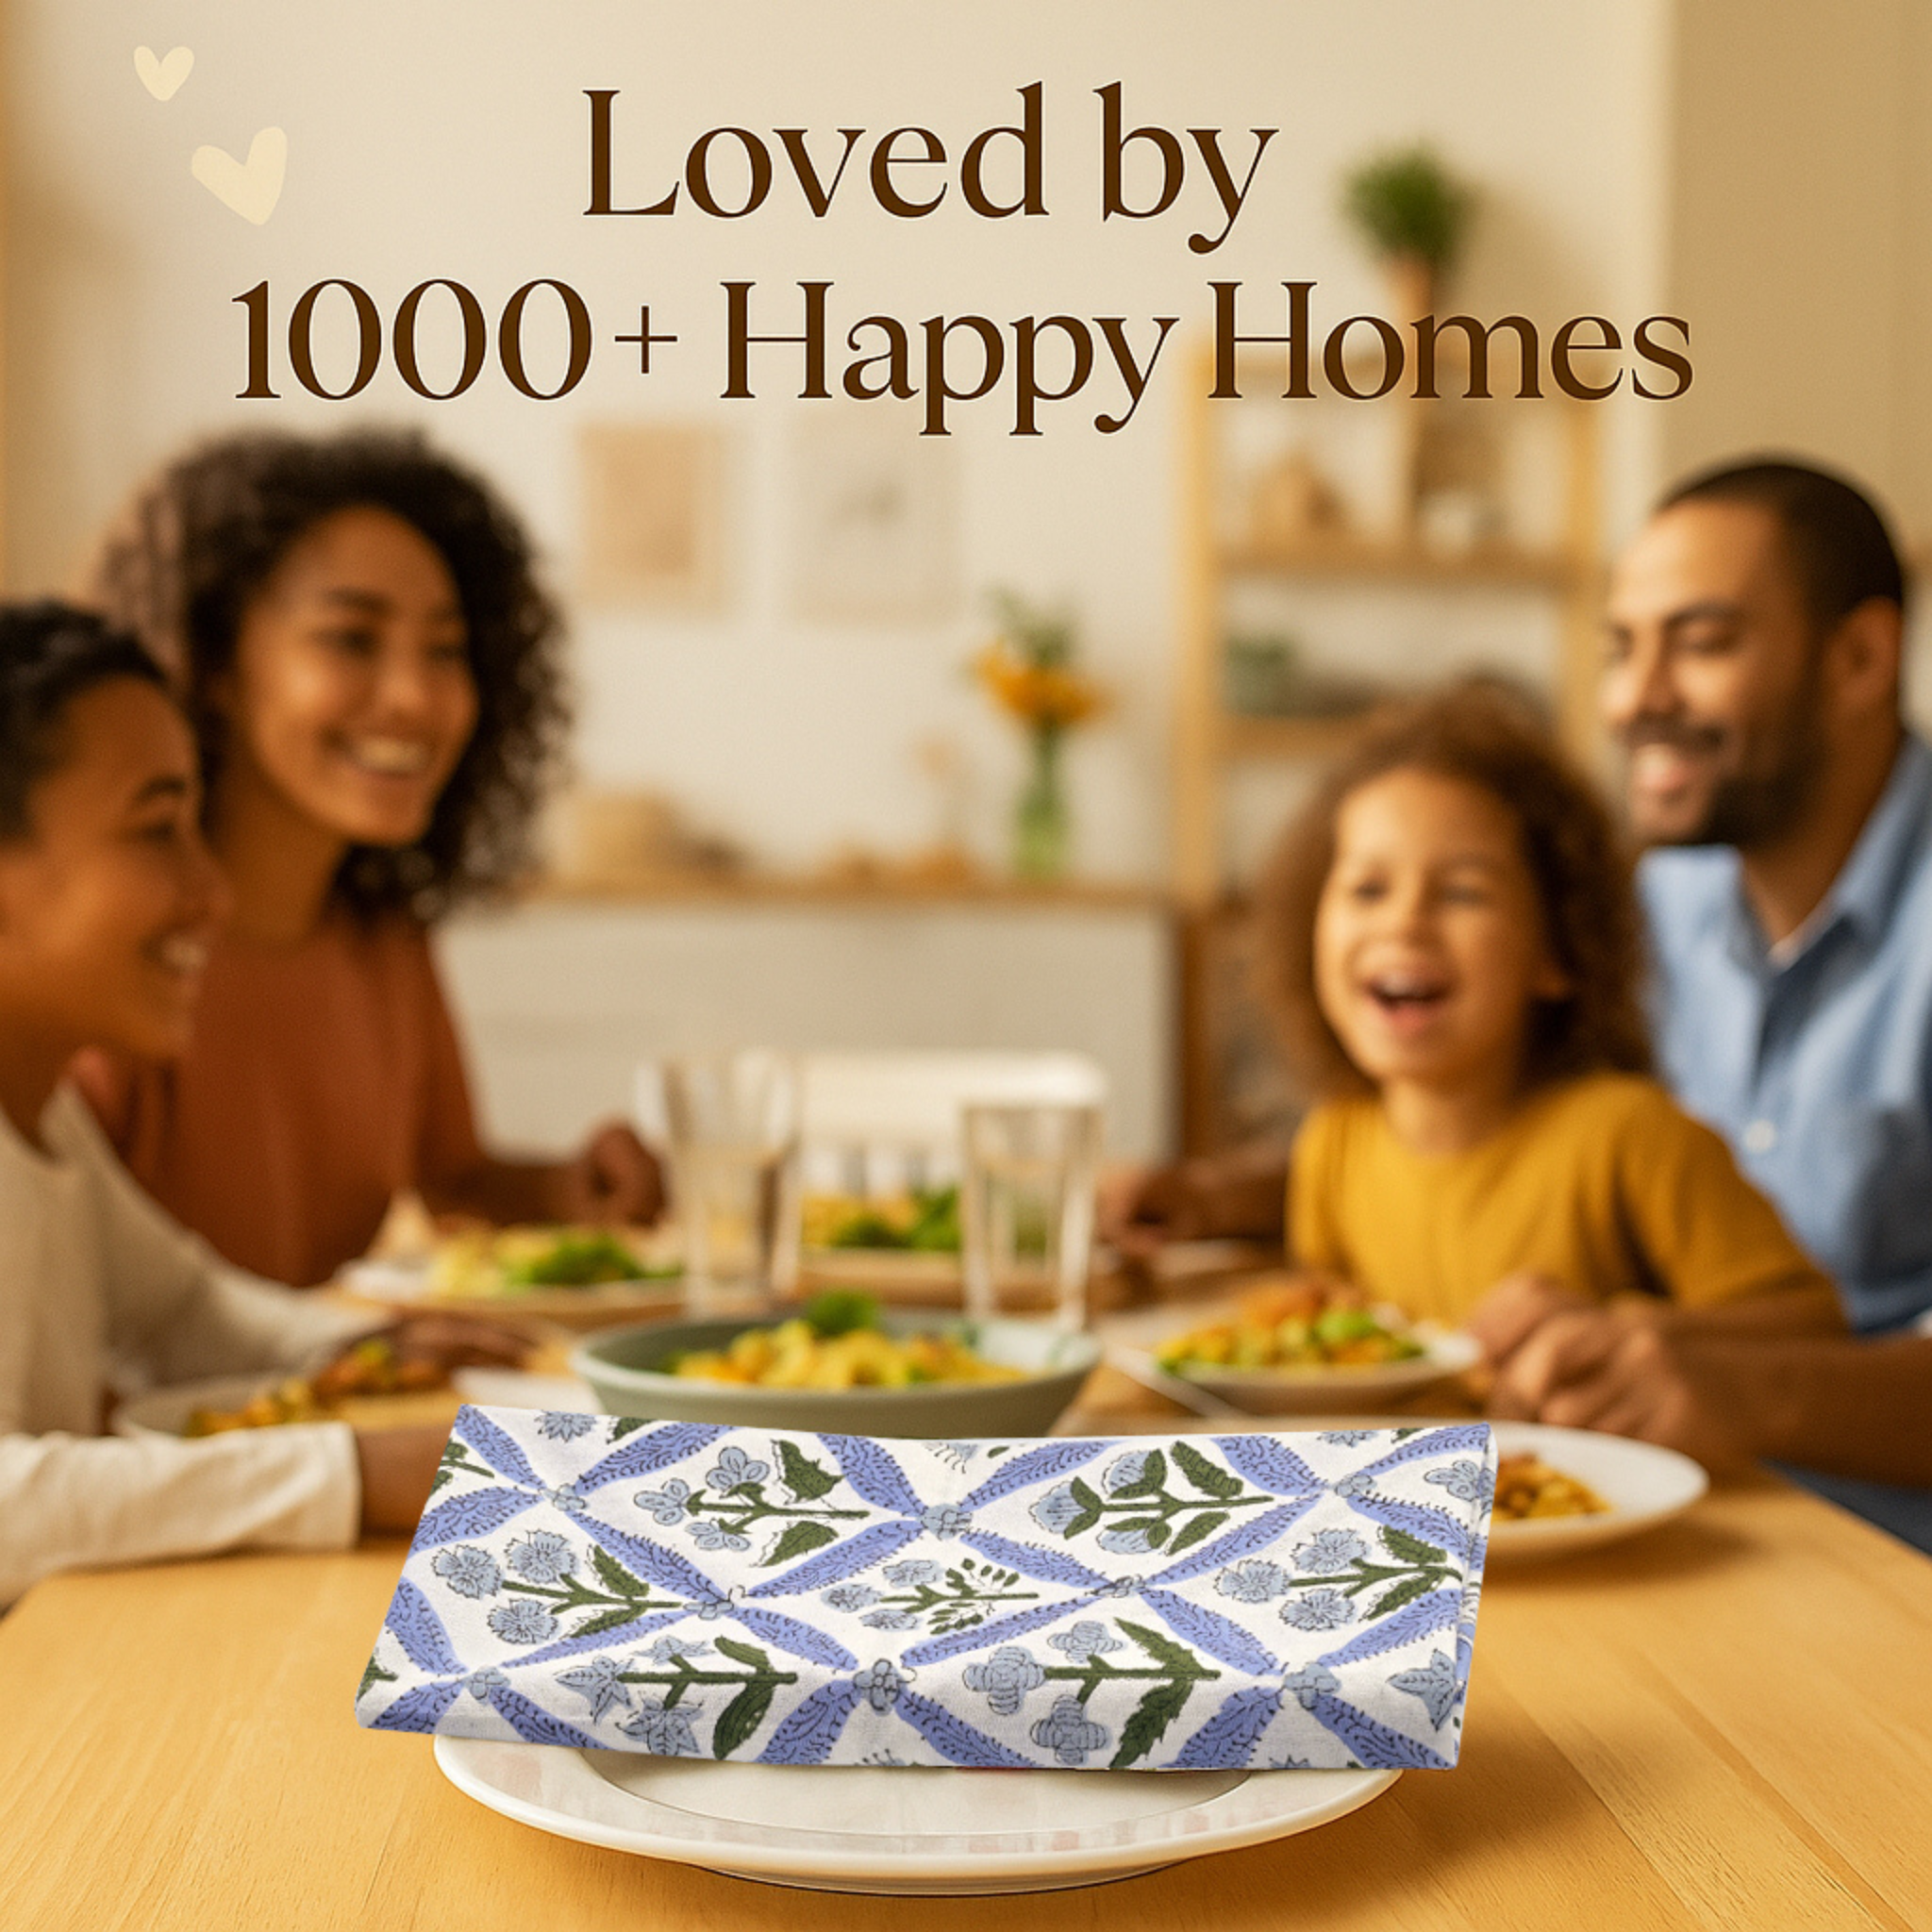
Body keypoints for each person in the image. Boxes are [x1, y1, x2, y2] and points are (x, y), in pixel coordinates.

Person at [0, 602, 505, 1607]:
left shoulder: (40, 1108)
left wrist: (354, 1346)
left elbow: (177, 1306)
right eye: (157, 831)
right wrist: (352, 1473)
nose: (210, 890)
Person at [74, 429, 664, 1286]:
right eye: (351, 639)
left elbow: (452, 1181)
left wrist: (570, 1187)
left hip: (306, 1406)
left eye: (446, 650)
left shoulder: (382, 938)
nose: (417, 697)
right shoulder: (114, 948)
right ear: (211, 665)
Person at [1245, 681, 1841, 1330]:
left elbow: (1810, 1331)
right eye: (1367, 889)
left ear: (1556, 951)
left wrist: (1629, 1336)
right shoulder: (1334, 1143)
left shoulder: (1633, 1139)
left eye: (1463, 893)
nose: (1404, 923)